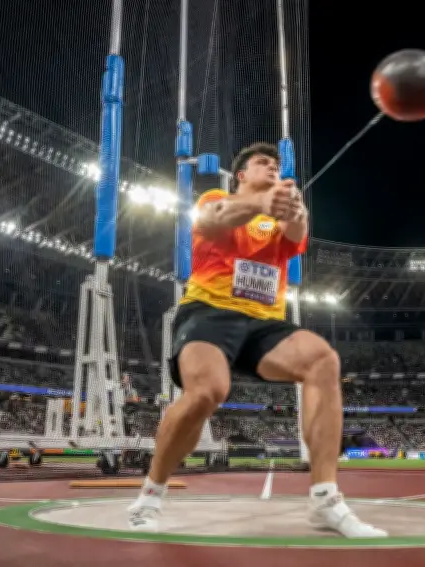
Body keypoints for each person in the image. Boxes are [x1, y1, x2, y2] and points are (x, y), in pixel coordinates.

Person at [127, 143, 387, 538]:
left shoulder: (275, 218)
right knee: (207, 392)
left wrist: (296, 214)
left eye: (277, 165)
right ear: (241, 176)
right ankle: (150, 493)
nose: (273, 167)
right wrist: (265, 201)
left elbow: (295, 236)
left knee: (323, 360)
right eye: (263, 163)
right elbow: (215, 220)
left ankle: (325, 499)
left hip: (263, 323)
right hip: (208, 313)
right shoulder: (218, 199)